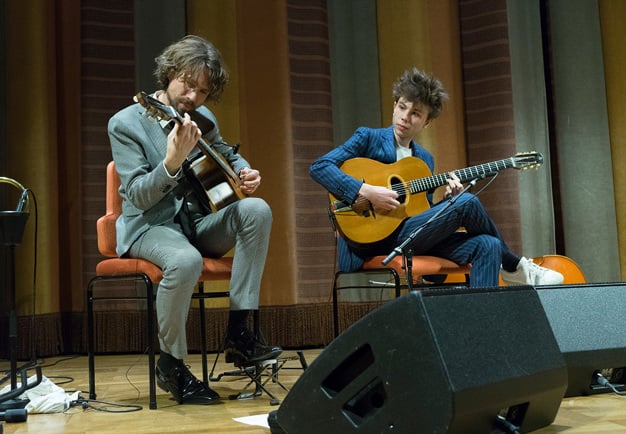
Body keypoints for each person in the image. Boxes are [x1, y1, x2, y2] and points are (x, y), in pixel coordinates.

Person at [108, 35, 282, 405]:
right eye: (188, 83)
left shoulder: (202, 119)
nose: (193, 96)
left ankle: (239, 333)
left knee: (257, 209)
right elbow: (137, 194)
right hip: (150, 227)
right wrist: (171, 162)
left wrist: (245, 170)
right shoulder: (125, 123)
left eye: (202, 91)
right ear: (170, 74)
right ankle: (171, 364)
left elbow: (224, 154)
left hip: (196, 225)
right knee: (184, 260)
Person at [310, 67, 564, 288]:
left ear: (427, 122)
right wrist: (365, 191)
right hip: (369, 240)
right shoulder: (368, 138)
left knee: (487, 244)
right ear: (395, 104)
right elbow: (320, 166)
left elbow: (418, 210)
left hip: (409, 235)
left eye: (416, 113)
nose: (405, 117)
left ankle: (481, 332)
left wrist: (447, 199)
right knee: (468, 203)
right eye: (402, 107)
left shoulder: (424, 159)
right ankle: (515, 266)